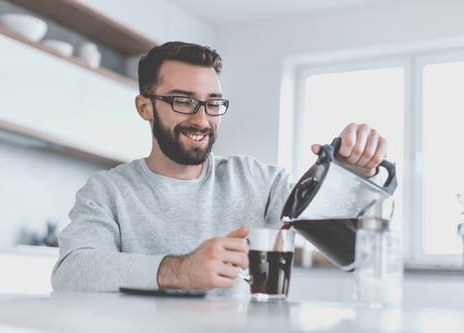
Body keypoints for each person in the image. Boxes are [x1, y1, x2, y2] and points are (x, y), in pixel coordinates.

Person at [51, 41, 387, 297]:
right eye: (182, 101)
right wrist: (179, 270)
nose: (202, 119)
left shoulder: (258, 182)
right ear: (145, 107)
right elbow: (71, 272)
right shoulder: (107, 191)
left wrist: (353, 177)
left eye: (213, 103)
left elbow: (357, 249)